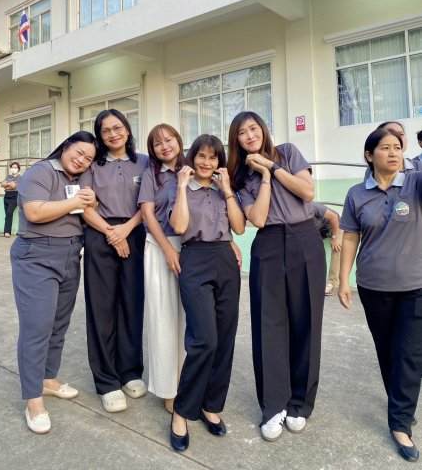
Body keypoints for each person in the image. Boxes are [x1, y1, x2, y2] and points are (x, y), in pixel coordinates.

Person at [227, 111, 326, 442]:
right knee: (268, 325)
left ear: (263, 129)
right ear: (237, 140)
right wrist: (264, 178)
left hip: (305, 238)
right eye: (242, 132)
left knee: (306, 322)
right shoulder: (241, 177)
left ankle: (300, 403)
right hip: (268, 243)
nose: (250, 135)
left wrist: (272, 168)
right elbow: (256, 218)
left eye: (254, 128)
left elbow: (307, 192)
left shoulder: (287, 152)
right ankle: (273, 406)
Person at [339, 127, 422, 463]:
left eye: (397, 147)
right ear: (369, 155)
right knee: (387, 351)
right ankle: (399, 401)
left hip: (415, 286)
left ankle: (400, 423)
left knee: (409, 353)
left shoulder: (415, 183)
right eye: (385, 148)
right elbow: (350, 237)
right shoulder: (357, 194)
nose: (393, 153)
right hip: (373, 287)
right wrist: (343, 279)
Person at [10, 131, 97, 434]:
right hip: (36, 256)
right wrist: (75, 201)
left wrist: (91, 201)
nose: (82, 160)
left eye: (88, 158)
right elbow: (34, 212)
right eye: (79, 152)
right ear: (66, 146)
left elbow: (87, 211)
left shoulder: (82, 178)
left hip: (71, 254)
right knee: (37, 327)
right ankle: (33, 399)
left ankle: (48, 379)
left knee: (58, 324)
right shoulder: (41, 171)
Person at [169, 134, 245, 451]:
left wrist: (227, 190)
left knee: (225, 337)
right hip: (195, 259)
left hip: (225, 260)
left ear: (219, 162)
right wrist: (181, 187)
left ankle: (211, 405)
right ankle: (182, 411)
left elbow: (239, 227)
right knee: (204, 340)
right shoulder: (183, 186)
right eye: (201, 155)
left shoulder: (222, 189)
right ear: (192, 157)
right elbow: (179, 227)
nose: (206, 162)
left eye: (213, 157)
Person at [81, 110, 149, 413]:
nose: (112, 134)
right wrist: (111, 232)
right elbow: (84, 206)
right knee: (102, 307)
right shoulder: (92, 165)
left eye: (117, 127)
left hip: (134, 233)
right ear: (100, 135)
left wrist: (126, 230)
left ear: (127, 129)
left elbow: (150, 203)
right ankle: (107, 381)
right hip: (100, 234)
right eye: (105, 130)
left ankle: (130, 371)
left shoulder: (144, 162)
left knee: (132, 304)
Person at [138, 124, 187, 414]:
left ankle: (188, 383)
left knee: (190, 323)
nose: (164, 146)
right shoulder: (151, 174)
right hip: (160, 247)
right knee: (163, 320)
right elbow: (147, 214)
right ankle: (169, 389)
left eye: (168, 140)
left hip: (193, 247)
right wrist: (168, 249)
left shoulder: (192, 168)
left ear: (178, 141)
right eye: (157, 144)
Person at [311, 202, 343, 296]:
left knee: (337, 248)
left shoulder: (313, 206)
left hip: (337, 225)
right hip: (320, 231)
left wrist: (335, 237)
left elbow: (334, 217)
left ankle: (331, 283)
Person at [1, 161, 22, 237]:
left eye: (15, 167)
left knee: (9, 213)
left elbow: (13, 187)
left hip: (14, 196)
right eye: (12, 167)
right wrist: (9, 183)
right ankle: (6, 232)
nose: (13, 169)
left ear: (18, 169)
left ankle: (7, 232)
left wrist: (6, 185)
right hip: (6, 196)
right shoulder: (8, 176)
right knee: (7, 214)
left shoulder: (19, 177)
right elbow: (2, 184)